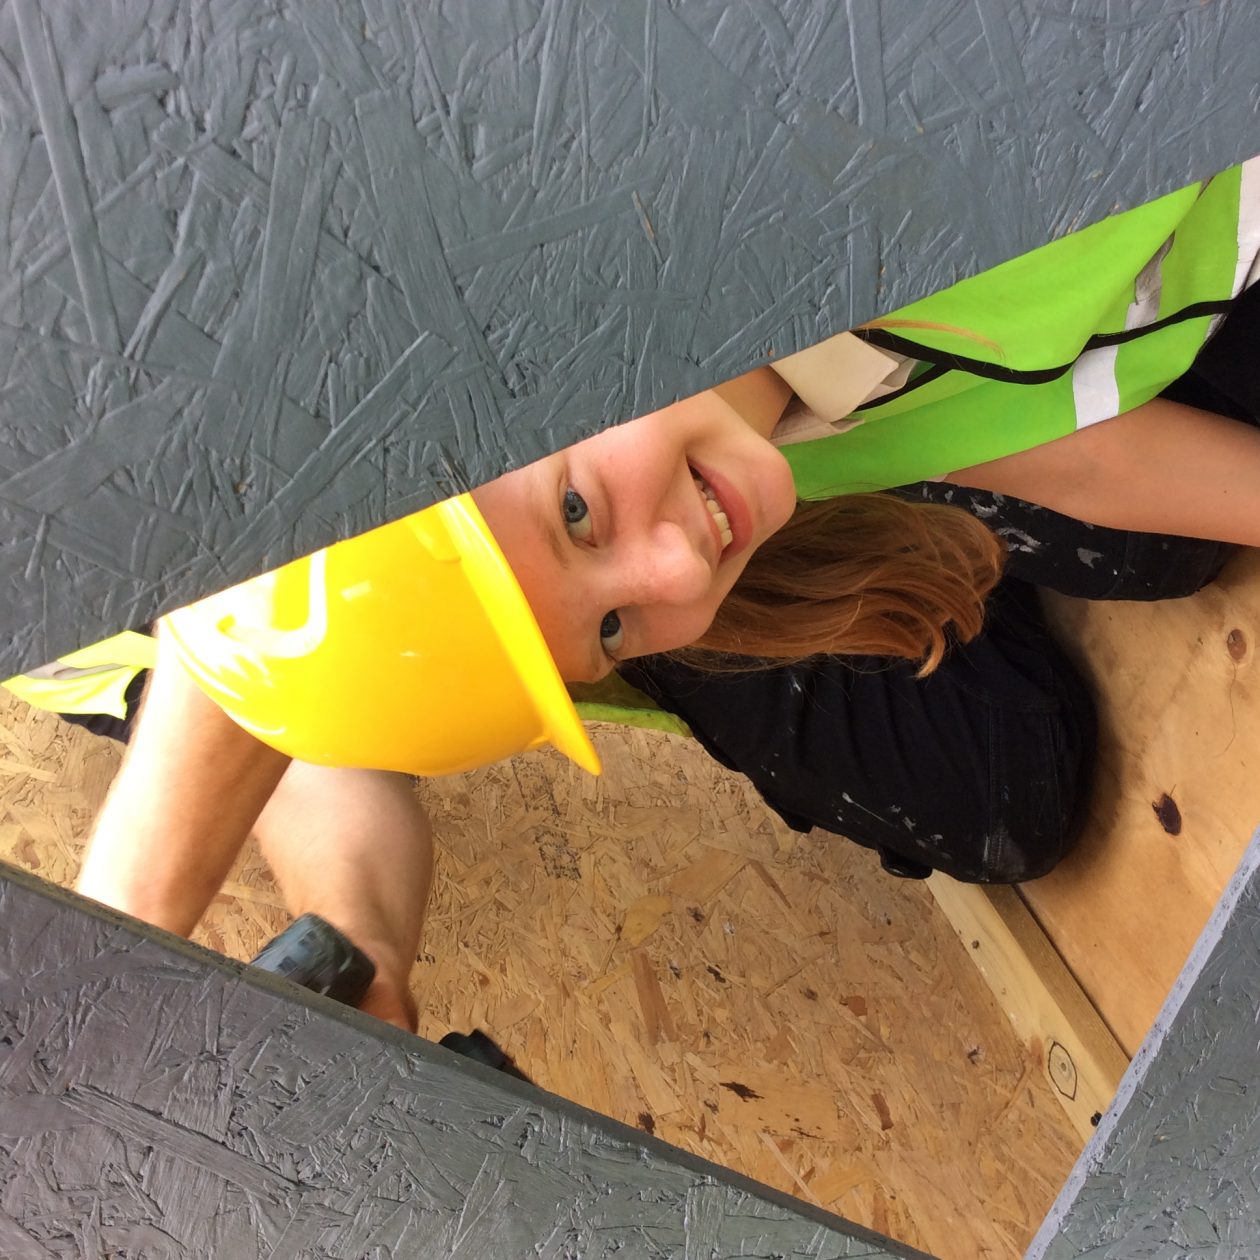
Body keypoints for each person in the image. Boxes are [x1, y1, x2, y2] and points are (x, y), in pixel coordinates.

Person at [10, 157, 1258, 1031]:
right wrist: (359, 948)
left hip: (651, 407)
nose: (670, 575)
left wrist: (106, 980)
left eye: (579, 517)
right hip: (720, 464)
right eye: (610, 628)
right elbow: (304, 734)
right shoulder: (745, 486)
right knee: (1010, 755)